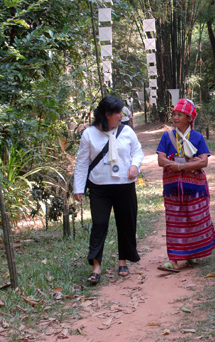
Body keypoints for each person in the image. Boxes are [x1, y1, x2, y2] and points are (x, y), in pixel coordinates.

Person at [73, 96, 144, 284]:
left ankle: (123, 261)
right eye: (118, 113)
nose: (122, 116)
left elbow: (137, 151)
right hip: (99, 186)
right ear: (107, 115)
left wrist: (135, 166)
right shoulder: (89, 134)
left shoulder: (127, 131)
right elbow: (81, 162)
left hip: (124, 185)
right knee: (100, 223)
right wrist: (78, 187)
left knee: (126, 223)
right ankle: (96, 266)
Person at [156, 99, 215, 272]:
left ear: (189, 117)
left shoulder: (197, 137)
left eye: (179, 115)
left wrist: (178, 166)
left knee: (195, 218)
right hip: (173, 188)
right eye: (174, 114)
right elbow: (161, 160)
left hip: (195, 189)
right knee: (175, 221)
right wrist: (191, 163)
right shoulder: (167, 137)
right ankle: (174, 259)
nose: (175, 117)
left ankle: (192, 254)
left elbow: (204, 162)